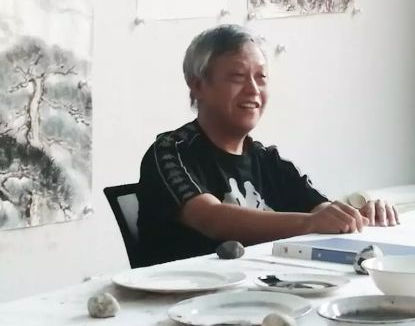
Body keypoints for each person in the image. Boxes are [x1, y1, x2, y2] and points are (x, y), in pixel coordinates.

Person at [137, 25, 399, 265]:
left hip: (266, 286)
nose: (253, 90)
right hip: (190, 293)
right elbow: (211, 218)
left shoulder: (267, 159)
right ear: (198, 86)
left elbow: (320, 210)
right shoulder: (171, 151)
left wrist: (357, 216)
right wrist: (310, 223)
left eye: (261, 77)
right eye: (238, 77)